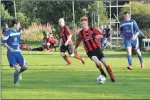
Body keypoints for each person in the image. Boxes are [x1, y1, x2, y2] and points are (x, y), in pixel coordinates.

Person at [75, 16, 115, 82]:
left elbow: (101, 35)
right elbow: (78, 41)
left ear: (87, 23)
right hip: (90, 51)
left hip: (97, 49)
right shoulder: (81, 33)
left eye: (84, 23)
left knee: (105, 63)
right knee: (97, 61)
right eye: (82, 24)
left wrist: (98, 36)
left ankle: (112, 77)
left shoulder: (93, 30)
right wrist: (75, 48)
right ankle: (102, 72)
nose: (83, 25)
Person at [1, 19, 28, 86]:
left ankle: (17, 73)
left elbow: (18, 42)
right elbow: (3, 42)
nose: (20, 25)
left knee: (25, 67)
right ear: (15, 25)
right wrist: (10, 48)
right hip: (11, 53)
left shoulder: (18, 32)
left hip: (17, 52)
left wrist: (18, 49)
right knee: (17, 68)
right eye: (19, 24)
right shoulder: (8, 32)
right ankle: (16, 83)